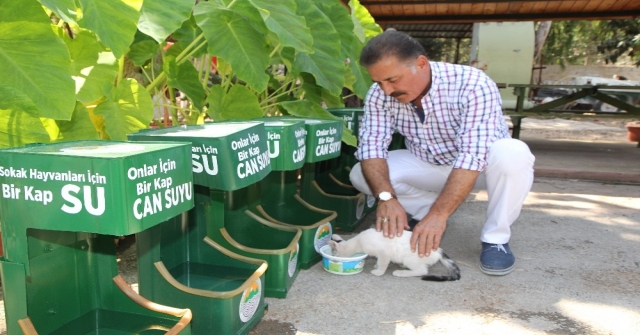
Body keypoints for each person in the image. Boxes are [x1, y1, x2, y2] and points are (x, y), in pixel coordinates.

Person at [349, 30, 535, 276]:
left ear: (421, 64)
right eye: (378, 82)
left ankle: (495, 238)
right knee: (360, 174)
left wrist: (441, 215)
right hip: (427, 163)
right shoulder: (380, 94)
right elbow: (372, 146)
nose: (386, 90)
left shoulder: (472, 84)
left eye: (392, 80)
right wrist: (386, 198)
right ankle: (423, 212)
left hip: (479, 168)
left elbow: (471, 155)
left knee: (513, 153)